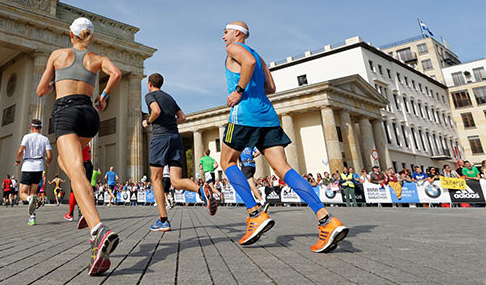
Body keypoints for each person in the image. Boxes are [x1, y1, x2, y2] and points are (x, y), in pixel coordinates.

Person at [218, 21, 347, 252]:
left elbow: (246, 62)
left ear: (238, 33)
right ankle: (326, 219)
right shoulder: (259, 56)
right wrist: (251, 86)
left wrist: (238, 91)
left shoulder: (234, 49)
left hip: (243, 115)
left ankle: (255, 213)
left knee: (226, 162)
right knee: (283, 168)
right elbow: (271, 88)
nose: (223, 37)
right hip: (268, 116)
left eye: (225, 32)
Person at [35, 16, 122, 275]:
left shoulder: (58, 55)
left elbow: (41, 90)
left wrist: (54, 84)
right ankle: (86, 203)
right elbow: (116, 74)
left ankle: (98, 229)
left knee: (73, 169)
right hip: (90, 114)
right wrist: (104, 96)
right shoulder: (97, 59)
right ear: (90, 36)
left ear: (71, 34)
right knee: (69, 165)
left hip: (66, 112)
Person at [143, 72, 218, 232]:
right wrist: (170, 121)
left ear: (150, 83)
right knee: (176, 180)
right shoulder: (169, 97)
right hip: (175, 138)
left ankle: (163, 220)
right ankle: (201, 190)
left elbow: (155, 111)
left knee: (155, 178)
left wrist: (148, 122)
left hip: (161, 138)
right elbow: (182, 117)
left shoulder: (150, 95)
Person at [15, 119, 53, 225]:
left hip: (28, 166)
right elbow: (49, 155)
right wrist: (48, 163)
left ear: (31, 127)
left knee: (23, 193)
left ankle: (29, 199)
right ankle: (32, 217)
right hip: (39, 167)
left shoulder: (27, 137)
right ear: (40, 128)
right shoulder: (45, 139)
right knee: (33, 192)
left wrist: (18, 160)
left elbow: (20, 150)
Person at [65, 145, 94, 221]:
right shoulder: (87, 144)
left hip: (78, 164)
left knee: (74, 189)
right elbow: (90, 155)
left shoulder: (75, 141)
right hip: (87, 164)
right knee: (85, 188)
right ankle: (83, 211)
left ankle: (70, 214)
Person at [239, 147, 268, 211]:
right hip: (252, 166)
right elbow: (258, 152)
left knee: (251, 185)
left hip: (245, 166)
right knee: (247, 185)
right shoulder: (250, 145)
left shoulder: (240, 144)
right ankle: (251, 203)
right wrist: (252, 156)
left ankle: (262, 201)